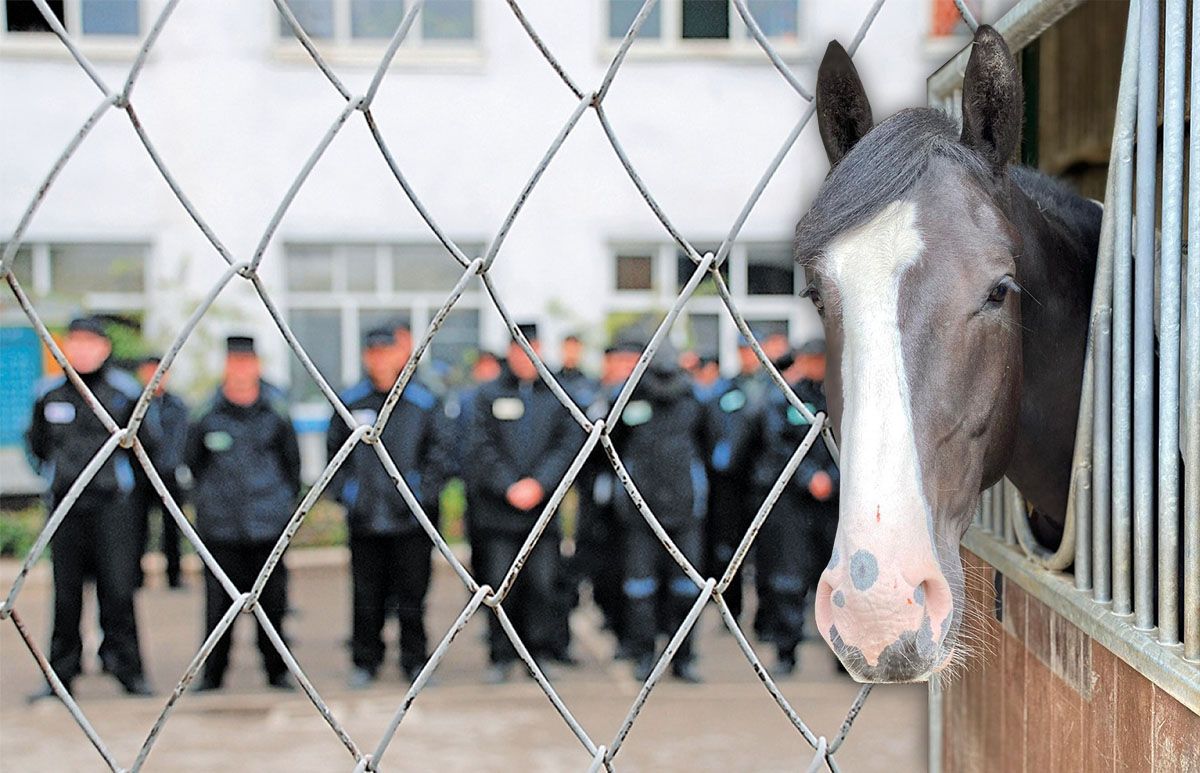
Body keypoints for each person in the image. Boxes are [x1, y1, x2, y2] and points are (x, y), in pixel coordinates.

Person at [26, 316, 155, 700]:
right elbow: (37, 447)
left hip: (113, 509)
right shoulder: (48, 395)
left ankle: (127, 669)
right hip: (65, 509)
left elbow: (145, 449)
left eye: (89, 342)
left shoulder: (124, 394)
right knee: (65, 595)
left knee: (118, 591)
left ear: (104, 348)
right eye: (74, 342)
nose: (82, 350)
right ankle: (61, 674)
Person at [327, 325, 449, 689]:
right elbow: (335, 455)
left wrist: (419, 494)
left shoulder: (423, 402)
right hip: (365, 519)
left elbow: (441, 455)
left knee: (413, 594)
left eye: (387, 352)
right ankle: (366, 659)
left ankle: (415, 660)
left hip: (411, 521)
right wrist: (350, 494)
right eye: (374, 353)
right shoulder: (351, 402)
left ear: (401, 355)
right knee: (366, 595)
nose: (381, 360)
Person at [466, 323, 581, 683]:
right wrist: (508, 486)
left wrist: (539, 484)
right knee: (500, 586)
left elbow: (567, 446)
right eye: (519, 349)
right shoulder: (486, 396)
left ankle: (539, 655)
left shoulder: (555, 395)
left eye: (532, 348)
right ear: (510, 353)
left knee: (543, 585)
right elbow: (479, 447)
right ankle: (500, 655)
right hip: (498, 514)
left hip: (542, 514)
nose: (526, 357)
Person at [186, 335, 300, 691]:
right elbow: (192, 464)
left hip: (268, 527)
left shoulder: (276, 412)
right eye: (234, 363)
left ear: (258, 366)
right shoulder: (206, 414)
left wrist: (279, 506)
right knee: (217, 606)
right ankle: (213, 675)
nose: (240, 371)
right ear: (225, 366)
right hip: (221, 530)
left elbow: (291, 467)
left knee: (273, 604)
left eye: (247, 363)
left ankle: (277, 672)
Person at [733, 339, 838, 676]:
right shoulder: (784, 399)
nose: (816, 366)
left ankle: (843, 654)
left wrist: (832, 479)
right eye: (811, 360)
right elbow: (776, 446)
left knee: (838, 580)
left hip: (833, 503)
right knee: (788, 579)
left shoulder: (845, 398)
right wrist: (809, 478)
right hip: (793, 502)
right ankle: (786, 651)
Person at [609, 342, 708, 683]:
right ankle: (645, 655)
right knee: (641, 589)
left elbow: (709, 446)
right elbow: (611, 442)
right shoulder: (629, 399)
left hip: (683, 511)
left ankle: (682, 657)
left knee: (685, 589)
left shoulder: (694, 400)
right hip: (640, 513)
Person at [574, 336, 642, 660]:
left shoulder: (645, 399)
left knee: (629, 573)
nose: (625, 370)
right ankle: (612, 620)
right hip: (598, 501)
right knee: (599, 573)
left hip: (635, 504)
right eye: (619, 362)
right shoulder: (593, 395)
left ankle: (629, 636)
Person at [132, 355, 189, 589]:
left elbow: (182, 439)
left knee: (171, 528)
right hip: (139, 475)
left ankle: (174, 577)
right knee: (137, 528)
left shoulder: (177, 405)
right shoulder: (133, 403)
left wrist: (172, 464)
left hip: (168, 473)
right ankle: (135, 578)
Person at [555, 334, 598, 408]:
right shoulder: (553, 382)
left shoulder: (589, 383)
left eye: (574, 350)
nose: (571, 354)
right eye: (568, 349)